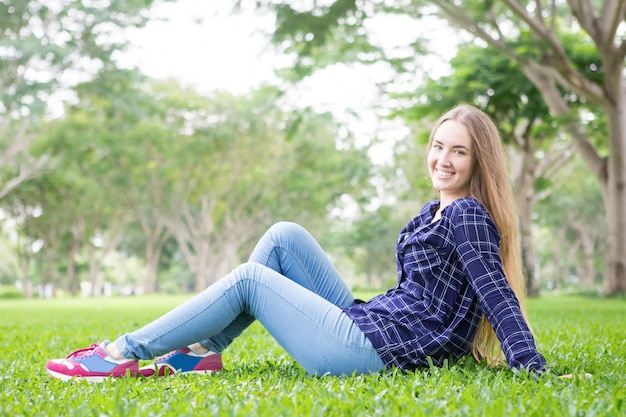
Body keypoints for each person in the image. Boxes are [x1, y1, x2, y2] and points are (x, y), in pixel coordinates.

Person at [46, 104, 547, 382]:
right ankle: (202, 351)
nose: (443, 158)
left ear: (479, 162)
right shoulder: (432, 211)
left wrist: (531, 365)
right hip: (373, 323)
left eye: (459, 151)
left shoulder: (468, 215)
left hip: (372, 351)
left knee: (248, 279)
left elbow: (496, 291)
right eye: (438, 146)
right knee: (283, 237)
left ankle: (118, 354)